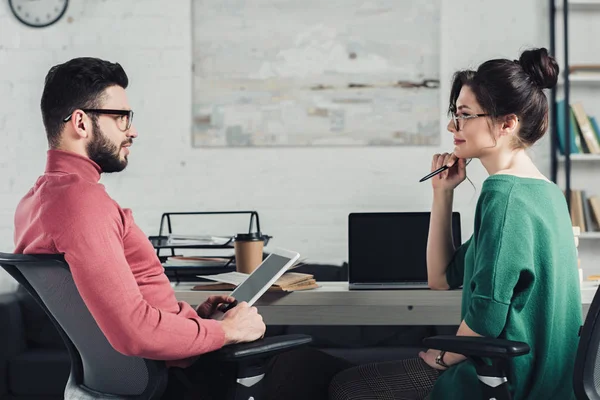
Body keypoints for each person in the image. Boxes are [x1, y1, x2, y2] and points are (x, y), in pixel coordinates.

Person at [13, 57, 354, 400]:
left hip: (150, 374)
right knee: (346, 378)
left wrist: (194, 319)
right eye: (121, 117)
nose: (132, 130)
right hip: (184, 382)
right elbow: (133, 333)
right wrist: (226, 332)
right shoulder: (82, 204)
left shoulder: (35, 204)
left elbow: (107, 312)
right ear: (82, 123)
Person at [329, 48, 582, 399]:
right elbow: (441, 278)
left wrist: (443, 359)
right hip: (550, 383)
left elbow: (487, 317)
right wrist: (442, 194)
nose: (452, 126)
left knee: (346, 386)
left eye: (464, 115)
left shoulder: (503, 195)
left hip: (504, 381)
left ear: (507, 123)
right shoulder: (544, 192)